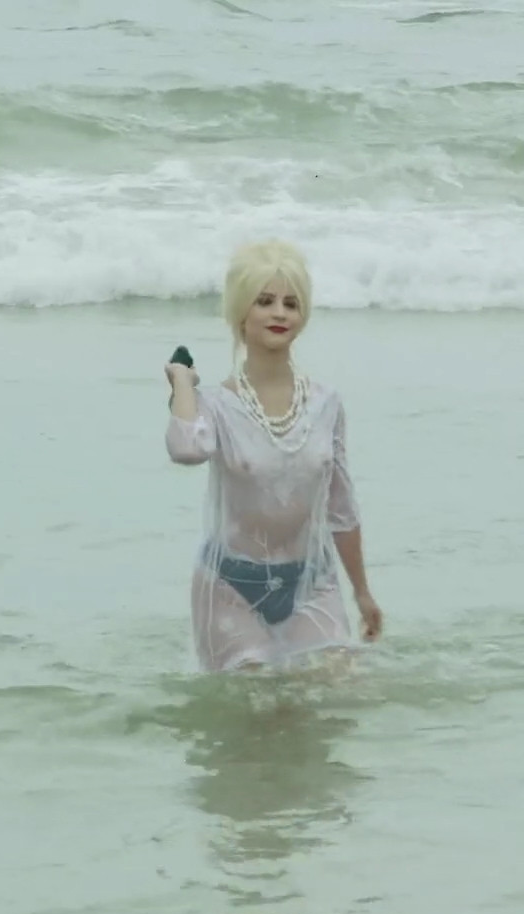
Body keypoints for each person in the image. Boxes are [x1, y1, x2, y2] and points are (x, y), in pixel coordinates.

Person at [164, 240, 383, 673]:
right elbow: (187, 448)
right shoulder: (216, 405)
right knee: (253, 703)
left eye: (291, 303)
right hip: (230, 587)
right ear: (240, 313)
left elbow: (341, 508)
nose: (279, 313)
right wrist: (183, 383)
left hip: (311, 583)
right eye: (264, 302)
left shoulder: (326, 404)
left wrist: (362, 592)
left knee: (339, 690)